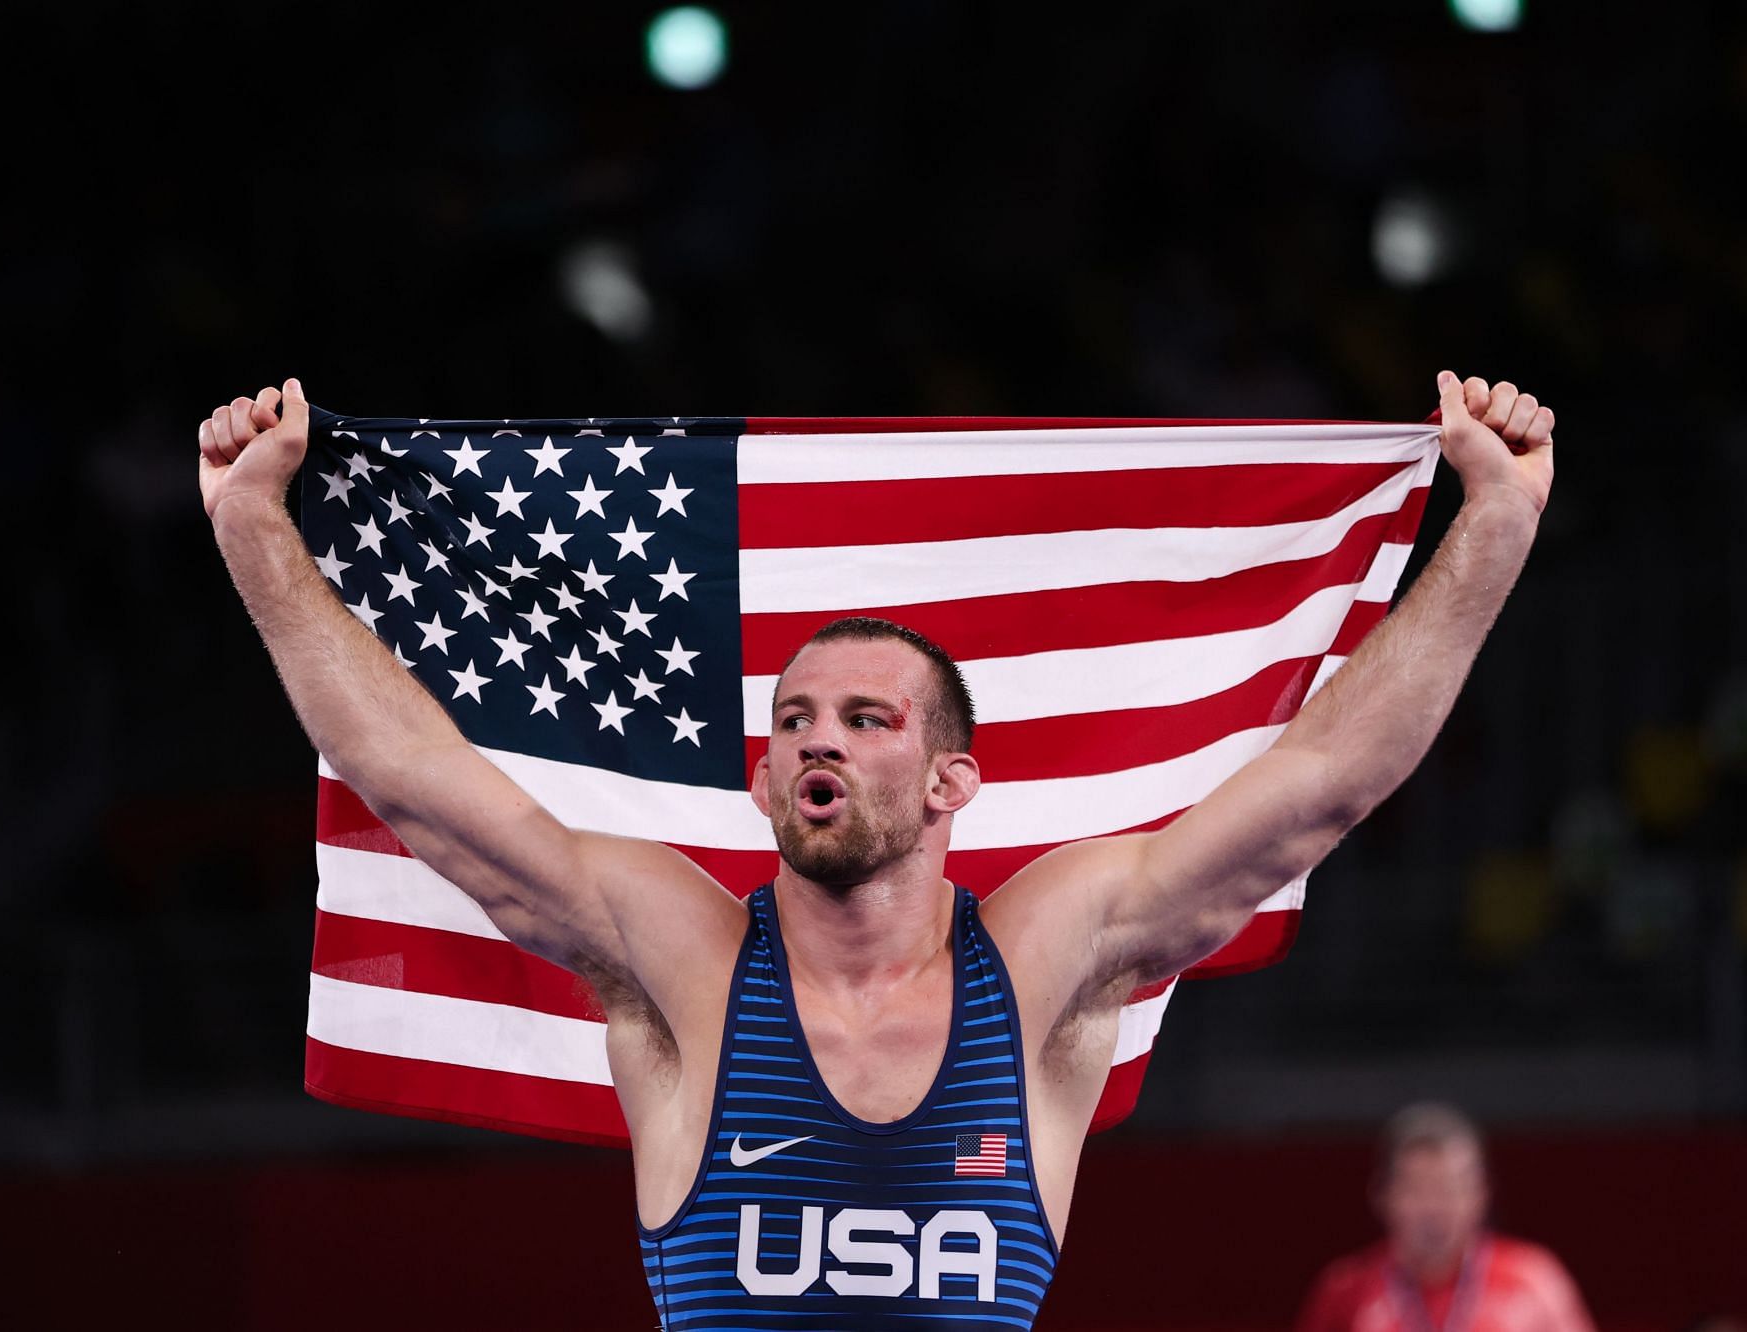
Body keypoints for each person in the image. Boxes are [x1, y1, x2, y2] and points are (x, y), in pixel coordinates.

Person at [198, 371, 1556, 1330]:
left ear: (953, 777)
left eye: (861, 716)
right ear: (762, 775)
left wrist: (1494, 519)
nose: (815, 741)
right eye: (791, 720)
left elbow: (1319, 784)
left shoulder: (1044, 961)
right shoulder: (680, 956)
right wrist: (254, 526)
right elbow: (418, 785)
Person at [1296, 1102, 1597, 1332]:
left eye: (1449, 1189)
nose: (1434, 1207)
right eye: (1417, 1189)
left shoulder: (1534, 1280)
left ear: (1481, 1195)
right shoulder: (1344, 1290)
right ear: (1382, 1195)